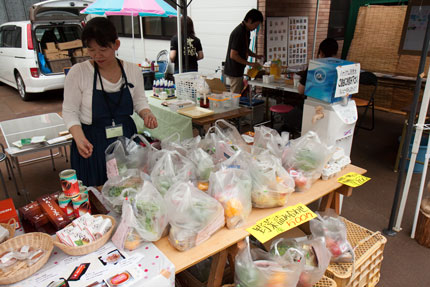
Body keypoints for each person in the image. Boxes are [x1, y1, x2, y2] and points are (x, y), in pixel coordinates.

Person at [62, 17, 158, 187]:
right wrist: (78, 137)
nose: (97, 55)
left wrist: (146, 113)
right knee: (97, 191)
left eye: (103, 49)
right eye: (91, 50)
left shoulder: (132, 70)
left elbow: (139, 100)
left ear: (116, 45)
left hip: (125, 138)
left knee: (129, 188)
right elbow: (70, 111)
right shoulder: (79, 72)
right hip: (92, 141)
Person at [224, 9, 264, 94]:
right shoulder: (239, 32)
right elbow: (233, 55)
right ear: (249, 20)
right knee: (234, 98)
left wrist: (256, 56)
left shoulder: (246, 31)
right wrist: (250, 64)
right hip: (233, 71)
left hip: (236, 70)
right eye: (255, 25)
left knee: (235, 95)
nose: (255, 28)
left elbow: (245, 48)